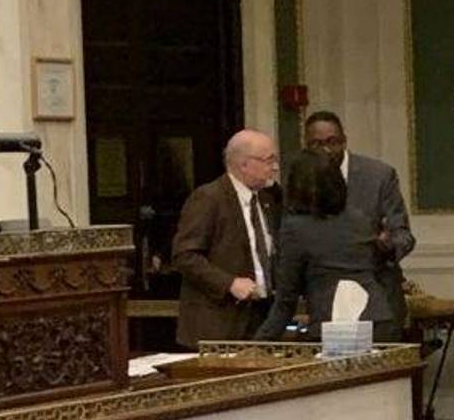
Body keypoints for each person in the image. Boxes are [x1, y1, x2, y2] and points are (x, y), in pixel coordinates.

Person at [256, 149, 400, 340]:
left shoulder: (295, 228)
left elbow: (286, 300)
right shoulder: (360, 219)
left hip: (334, 326)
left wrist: (256, 347)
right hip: (379, 319)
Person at [299, 110, 415, 340]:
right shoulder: (301, 179)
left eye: (331, 142)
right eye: (316, 144)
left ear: (344, 141)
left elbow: (403, 235)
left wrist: (387, 245)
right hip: (326, 304)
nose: (325, 150)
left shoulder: (379, 176)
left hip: (379, 301)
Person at [172, 129, 280, 349]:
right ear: (244, 164)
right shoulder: (209, 198)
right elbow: (185, 256)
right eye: (268, 160)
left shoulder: (269, 199)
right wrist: (229, 283)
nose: (275, 167)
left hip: (261, 318)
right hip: (219, 323)